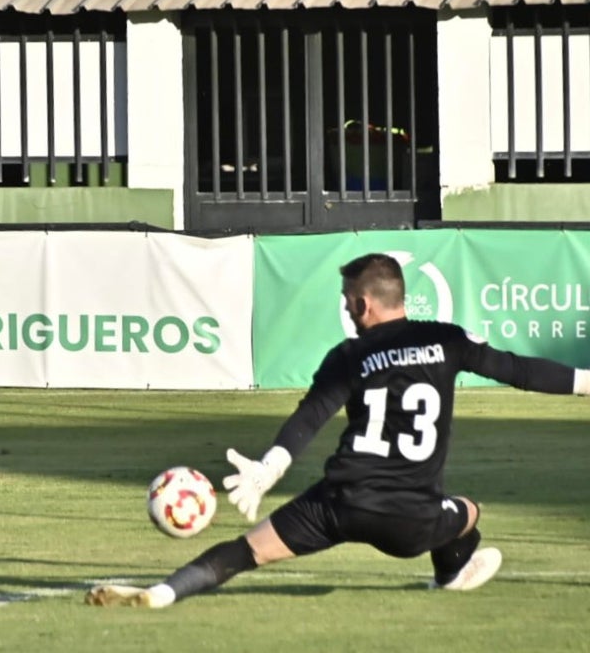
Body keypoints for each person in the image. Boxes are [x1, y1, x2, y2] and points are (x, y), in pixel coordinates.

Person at [87, 252, 589, 608]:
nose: (347, 309)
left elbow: (311, 417)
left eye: (349, 300)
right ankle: (450, 573)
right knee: (469, 512)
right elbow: (522, 371)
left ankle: (162, 593)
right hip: (410, 520)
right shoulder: (447, 339)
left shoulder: (349, 356)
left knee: (245, 552)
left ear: (365, 304)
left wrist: (268, 468)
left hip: (340, 504)